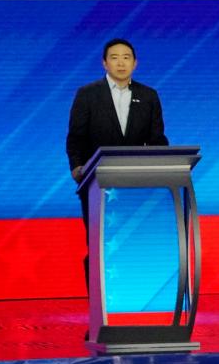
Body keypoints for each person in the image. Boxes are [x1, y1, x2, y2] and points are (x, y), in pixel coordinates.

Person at [65, 38, 170, 225]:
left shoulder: (149, 96)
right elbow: (76, 137)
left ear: (135, 63)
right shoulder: (87, 94)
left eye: (126, 57)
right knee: (100, 241)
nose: (121, 63)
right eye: (114, 58)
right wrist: (76, 167)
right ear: (105, 63)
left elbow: (157, 138)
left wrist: (162, 166)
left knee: (135, 238)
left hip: (138, 182)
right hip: (96, 180)